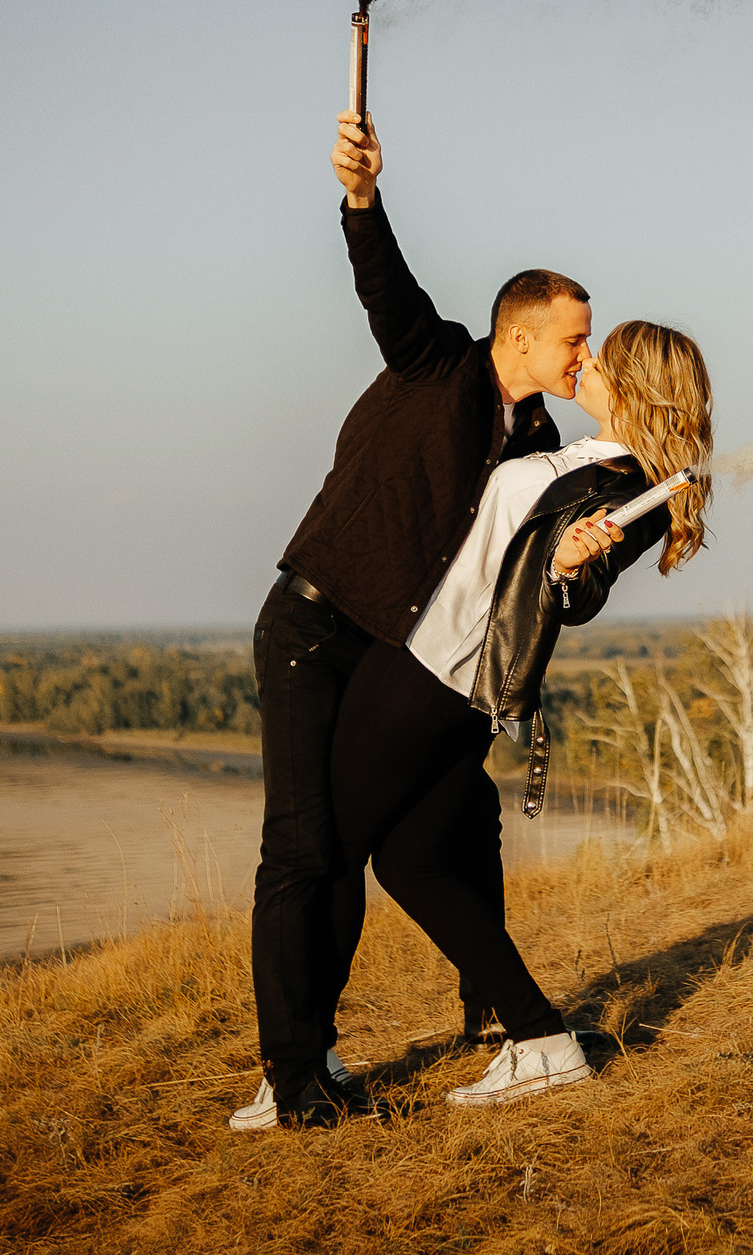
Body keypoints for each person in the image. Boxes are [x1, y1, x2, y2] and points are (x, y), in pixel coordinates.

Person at [234, 106, 594, 1132]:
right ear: (518, 332)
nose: (583, 353)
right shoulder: (437, 360)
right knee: (304, 849)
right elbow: (384, 284)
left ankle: (496, 1025)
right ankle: (294, 1074)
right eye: (573, 337)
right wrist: (361, 197)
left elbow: (553, 582)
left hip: (400, 663)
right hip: (311, 628)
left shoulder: (541, 441)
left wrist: (574, 570)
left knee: (395, 838)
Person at [333, 317, 712, 1108]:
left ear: (634, 385)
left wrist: (574, 564)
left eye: (599, 357)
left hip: (438, 670)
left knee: (326, 845)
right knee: (410, 863)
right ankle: (540, 1039)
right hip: (441, 666)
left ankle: (299, 1065)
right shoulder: (585, 455)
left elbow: (577, 596)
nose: (586, 362)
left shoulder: (627, 486)